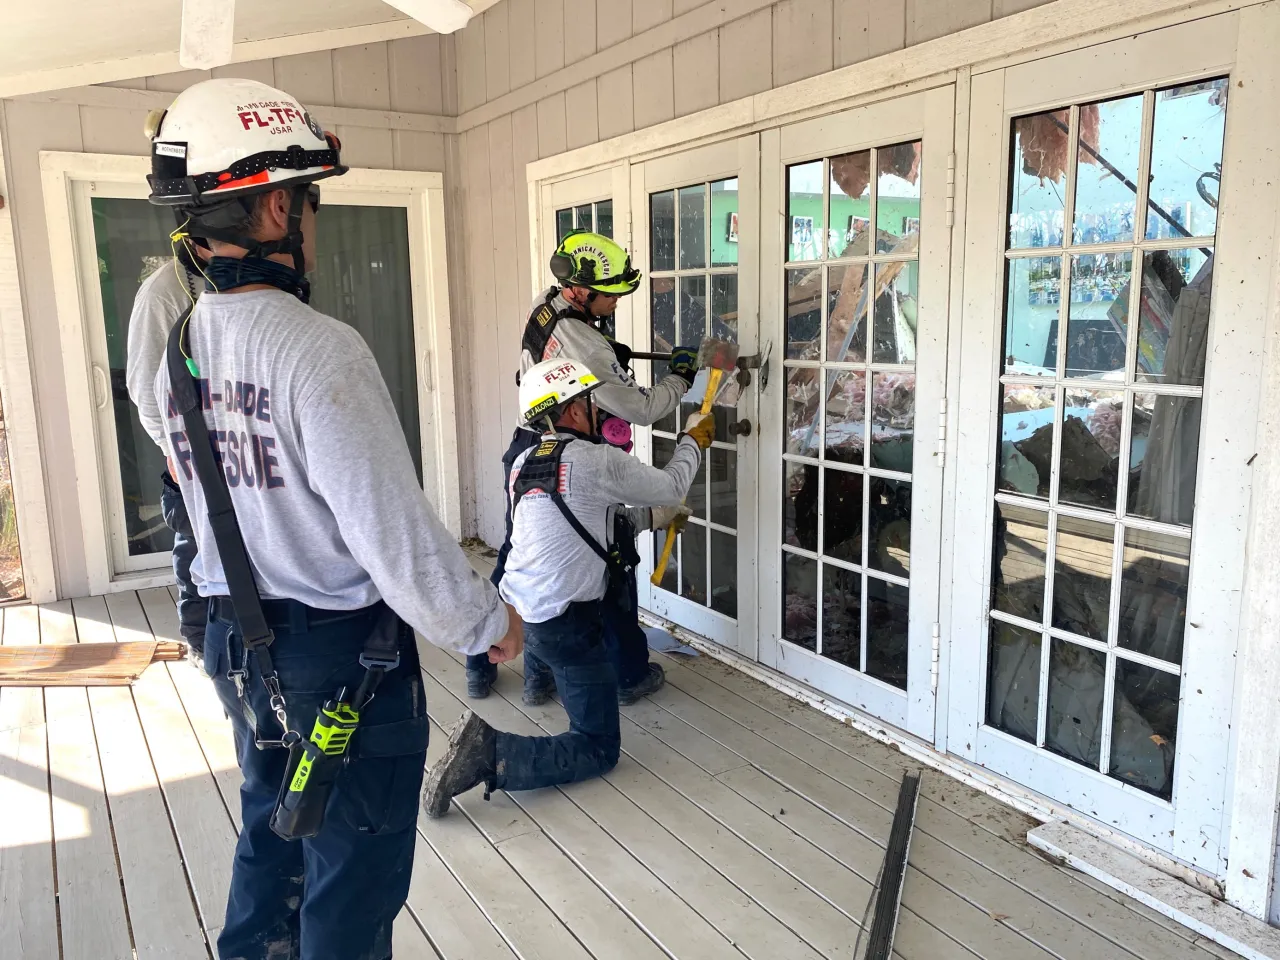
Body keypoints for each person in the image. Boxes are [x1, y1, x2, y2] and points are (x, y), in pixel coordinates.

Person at [145, 77, 523, 960]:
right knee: (349, 887)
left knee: (272, 834)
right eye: (308, 201)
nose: (314, 221)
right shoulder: (320, 351)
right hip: (343, 660)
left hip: (240, 644)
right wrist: (484, 622)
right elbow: (388, 532)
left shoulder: (181, 347)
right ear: (276, 210)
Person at [424, 358, 713, 817]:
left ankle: (539, 680)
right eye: (591, 403)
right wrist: (693, 441)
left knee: (553, 633)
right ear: (574, 410)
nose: (598, 412)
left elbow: (573, 523)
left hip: (516, 607)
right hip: (565, 625)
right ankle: (492, 753)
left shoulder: (523, 461)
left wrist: (647, 519)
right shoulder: (596, 460)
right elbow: (671, 486)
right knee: (598, 746)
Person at [466, 229, 701, 707]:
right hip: (570, 455)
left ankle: (489, 665)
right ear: (579, 289)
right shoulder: (587, 351)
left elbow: (573, 351)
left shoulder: (547, 303)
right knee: (611, 552)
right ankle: (630, 673)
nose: (617, 301)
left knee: (518, 558)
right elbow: (644, 408)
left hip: (528, 450)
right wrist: (680, 378)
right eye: (611, 294)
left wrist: (609, 352)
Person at [126, 235, 211, 654]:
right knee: (198, 560)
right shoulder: (166, 290)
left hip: (246, 461)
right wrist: (175, 449)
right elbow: (144, 386)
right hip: (194, 461)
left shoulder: (253, 282)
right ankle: (202, 650)